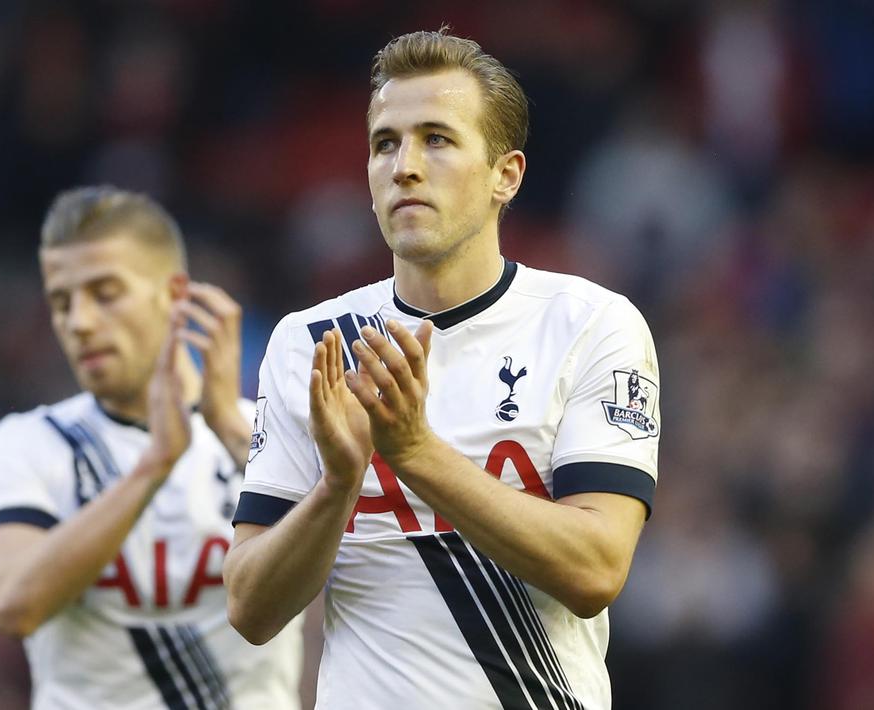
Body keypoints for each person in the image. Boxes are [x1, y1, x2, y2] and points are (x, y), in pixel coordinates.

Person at [224, 29, 660, 710]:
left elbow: (596, 567)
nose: (403, 166)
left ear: (504, 175)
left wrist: (417, 455)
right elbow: (249, 607)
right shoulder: (311, 343)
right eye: (384, 143)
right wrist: (337, 486)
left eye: (437, 138)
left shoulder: (588, 324)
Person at [0, 187, 302, 709]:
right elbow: (13, 603)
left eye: (105, 293)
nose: (79, 322)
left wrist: (230, 430)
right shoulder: (26, 444)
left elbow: (349, 572)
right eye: (62, 301)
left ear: (175, 296)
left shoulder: (268, 434)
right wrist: (154, 465)